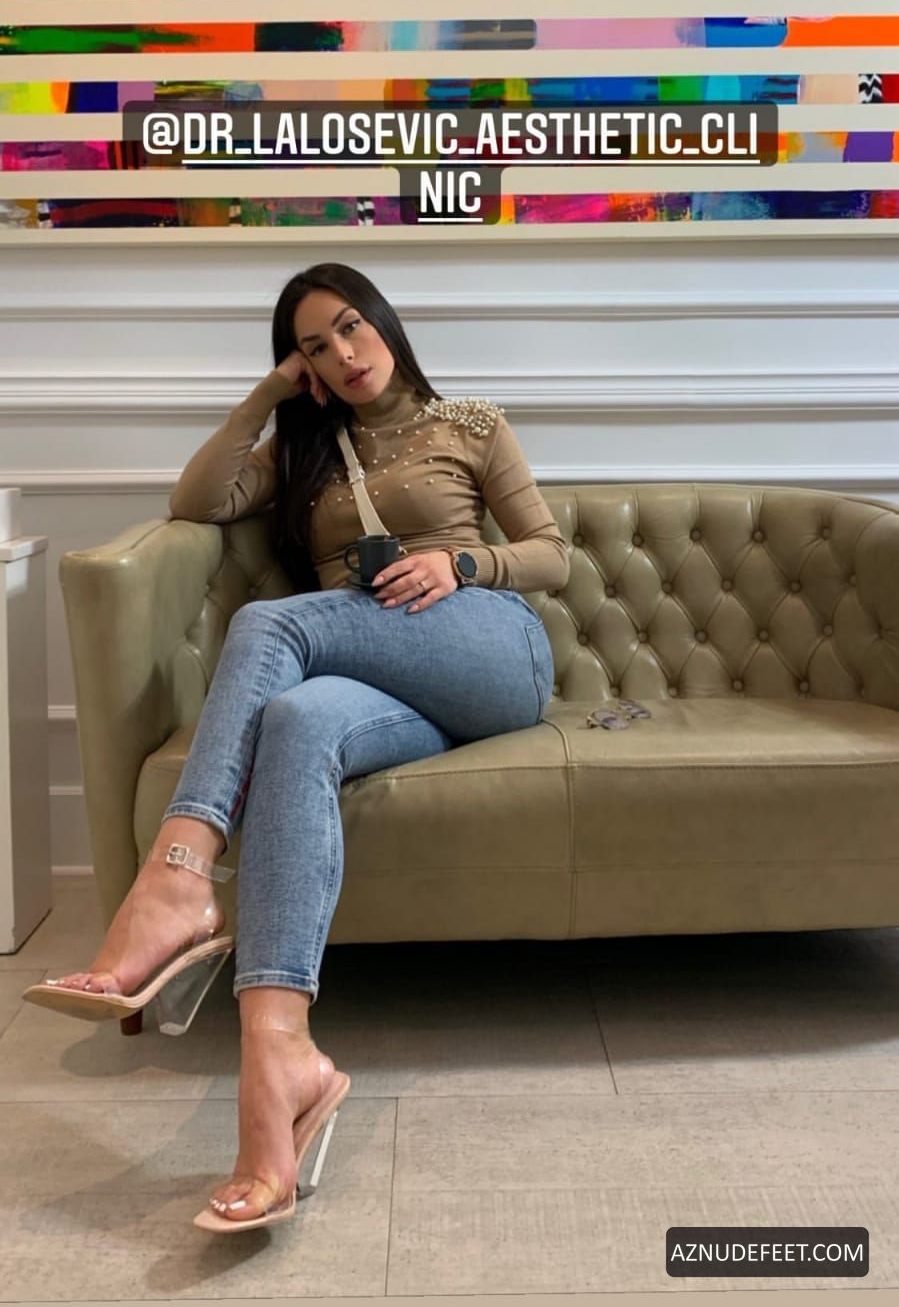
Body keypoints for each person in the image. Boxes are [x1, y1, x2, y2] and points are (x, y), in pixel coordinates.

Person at [23, 261, 569, 1231]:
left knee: (269, 625)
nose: (344, 354)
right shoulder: (304, 452)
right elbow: (196, 500)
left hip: (489, 651)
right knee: (296, 720)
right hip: (380, 676)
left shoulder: (471, 422)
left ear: (384, 323)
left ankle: (179, 881)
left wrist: (459, 560)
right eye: (316, 346)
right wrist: (269, 397)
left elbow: (552, 555)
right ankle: (283, 1066)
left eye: (352, 327)